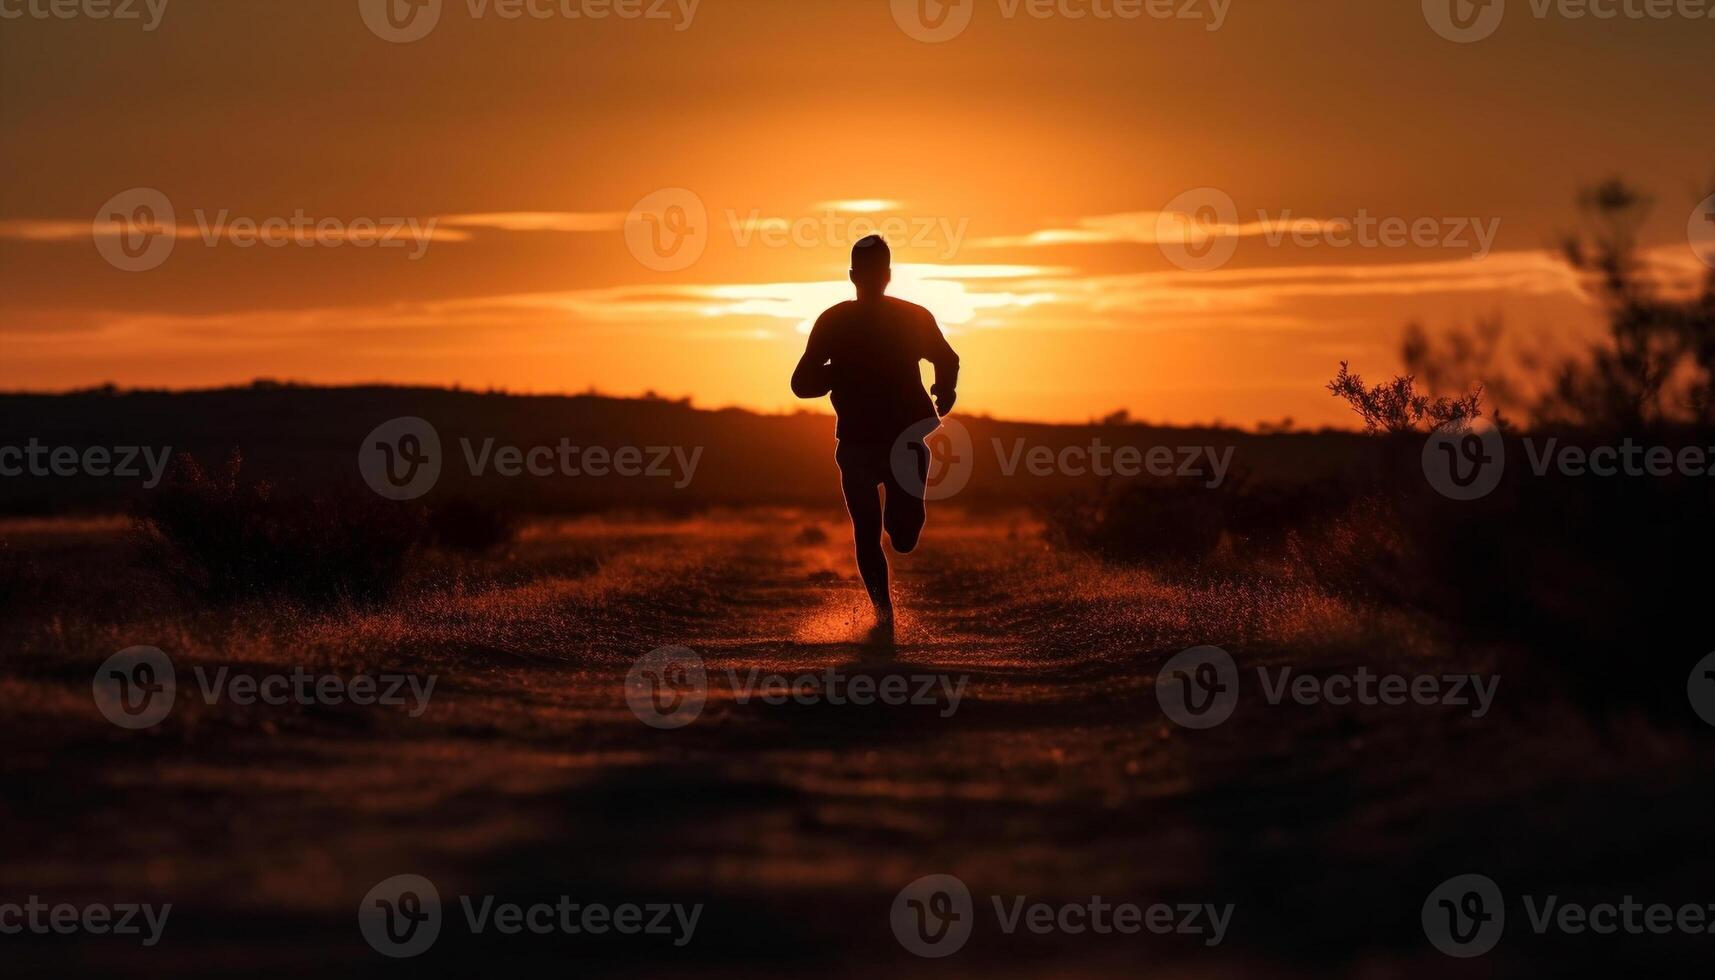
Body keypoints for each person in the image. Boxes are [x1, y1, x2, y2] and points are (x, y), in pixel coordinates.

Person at [790, 235, 961, 621]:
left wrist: (946, 388)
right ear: (873, 275)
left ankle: (883, 612)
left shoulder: (908, 317)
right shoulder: (837, 321)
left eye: (872, 273)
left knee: (899, 539)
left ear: (881, 276)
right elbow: (802, 383)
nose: (869, 279)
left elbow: (946, 358)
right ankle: (884, 618)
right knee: (868, 534)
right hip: (860, 444)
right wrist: (839, 372)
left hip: (902, 440)